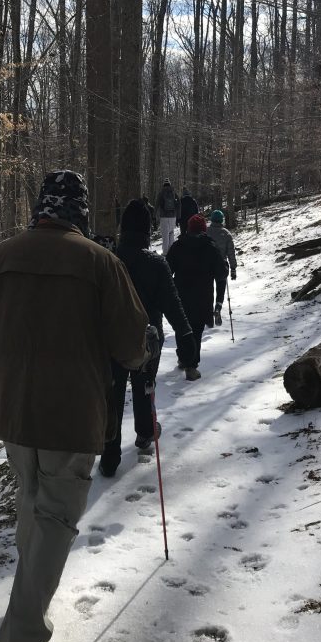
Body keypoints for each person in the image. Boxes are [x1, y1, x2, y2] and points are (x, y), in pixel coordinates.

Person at [0, 170, 148, 642]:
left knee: (33, 508)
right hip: (72, 418)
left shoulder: (1, 258)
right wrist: (141, 348)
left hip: (14, 417)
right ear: (80, 213)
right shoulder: (100, 263)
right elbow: (131, 345)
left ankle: (22, 609)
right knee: (54, 523)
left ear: (40, 209)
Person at [100, 199, 197, 477]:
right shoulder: (156, 263)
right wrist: (186, 334)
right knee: (145, 388)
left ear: (123, 228)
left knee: (114, 395)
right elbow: (173, 303)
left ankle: (110, 454)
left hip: (112, 342)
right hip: (147, 342)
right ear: (147, 229)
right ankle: (144, 434)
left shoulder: (109, 261)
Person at [166, 213, 228, 380]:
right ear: (203, 230)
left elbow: (167, 270)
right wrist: (226, 267)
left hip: (181, 296)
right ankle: (191, 366)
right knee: (196, 331)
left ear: (188, 229)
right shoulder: (210, 247)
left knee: (181, 328)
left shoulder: (178, 246)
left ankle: (183, 358)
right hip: (203, 297)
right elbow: (221, 274)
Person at [207, 209, 237, 326]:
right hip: (221, 265)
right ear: (221, 220)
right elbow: (231, 252)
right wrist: (233, 268)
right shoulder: (226, 234)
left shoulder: (206, 231)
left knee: (208, 289)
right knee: (221, 287)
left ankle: (208, 314)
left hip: (207, 265)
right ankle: (218, 307)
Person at [156, 179, 180, 254]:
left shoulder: (161, 193)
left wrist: (154, 216)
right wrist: (178, 217)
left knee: (165, 235)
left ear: (164, 185)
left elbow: (157, 205)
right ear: (170, 184)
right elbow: (179, 204)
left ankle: (165, 253)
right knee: (171, 234)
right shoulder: (174, 193)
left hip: (164, 217)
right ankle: (171, 252)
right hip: (173, 217)